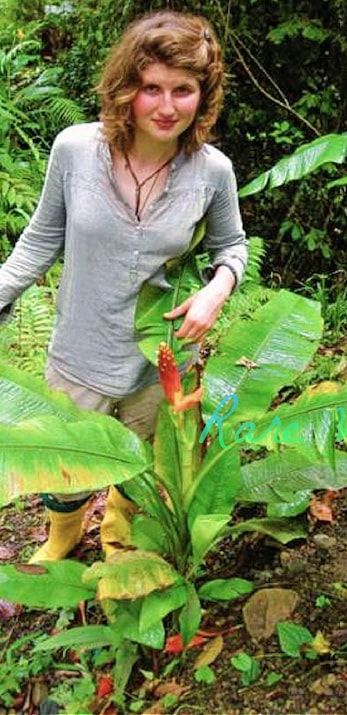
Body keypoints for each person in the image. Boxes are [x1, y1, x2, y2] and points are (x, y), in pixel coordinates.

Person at [0, 11, 247, 562]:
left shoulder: (212, 173)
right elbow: (40, 241)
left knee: (141, 463)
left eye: (182, 90)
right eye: (150, 87)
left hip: (159, 356)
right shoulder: (74, 151)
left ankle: (118, 537)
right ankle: (62, 536)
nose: (165, 106)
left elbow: (232, 248)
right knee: (66, 464)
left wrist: (216, 288)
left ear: (202, 95)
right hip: (80, 349)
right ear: (124, 89)